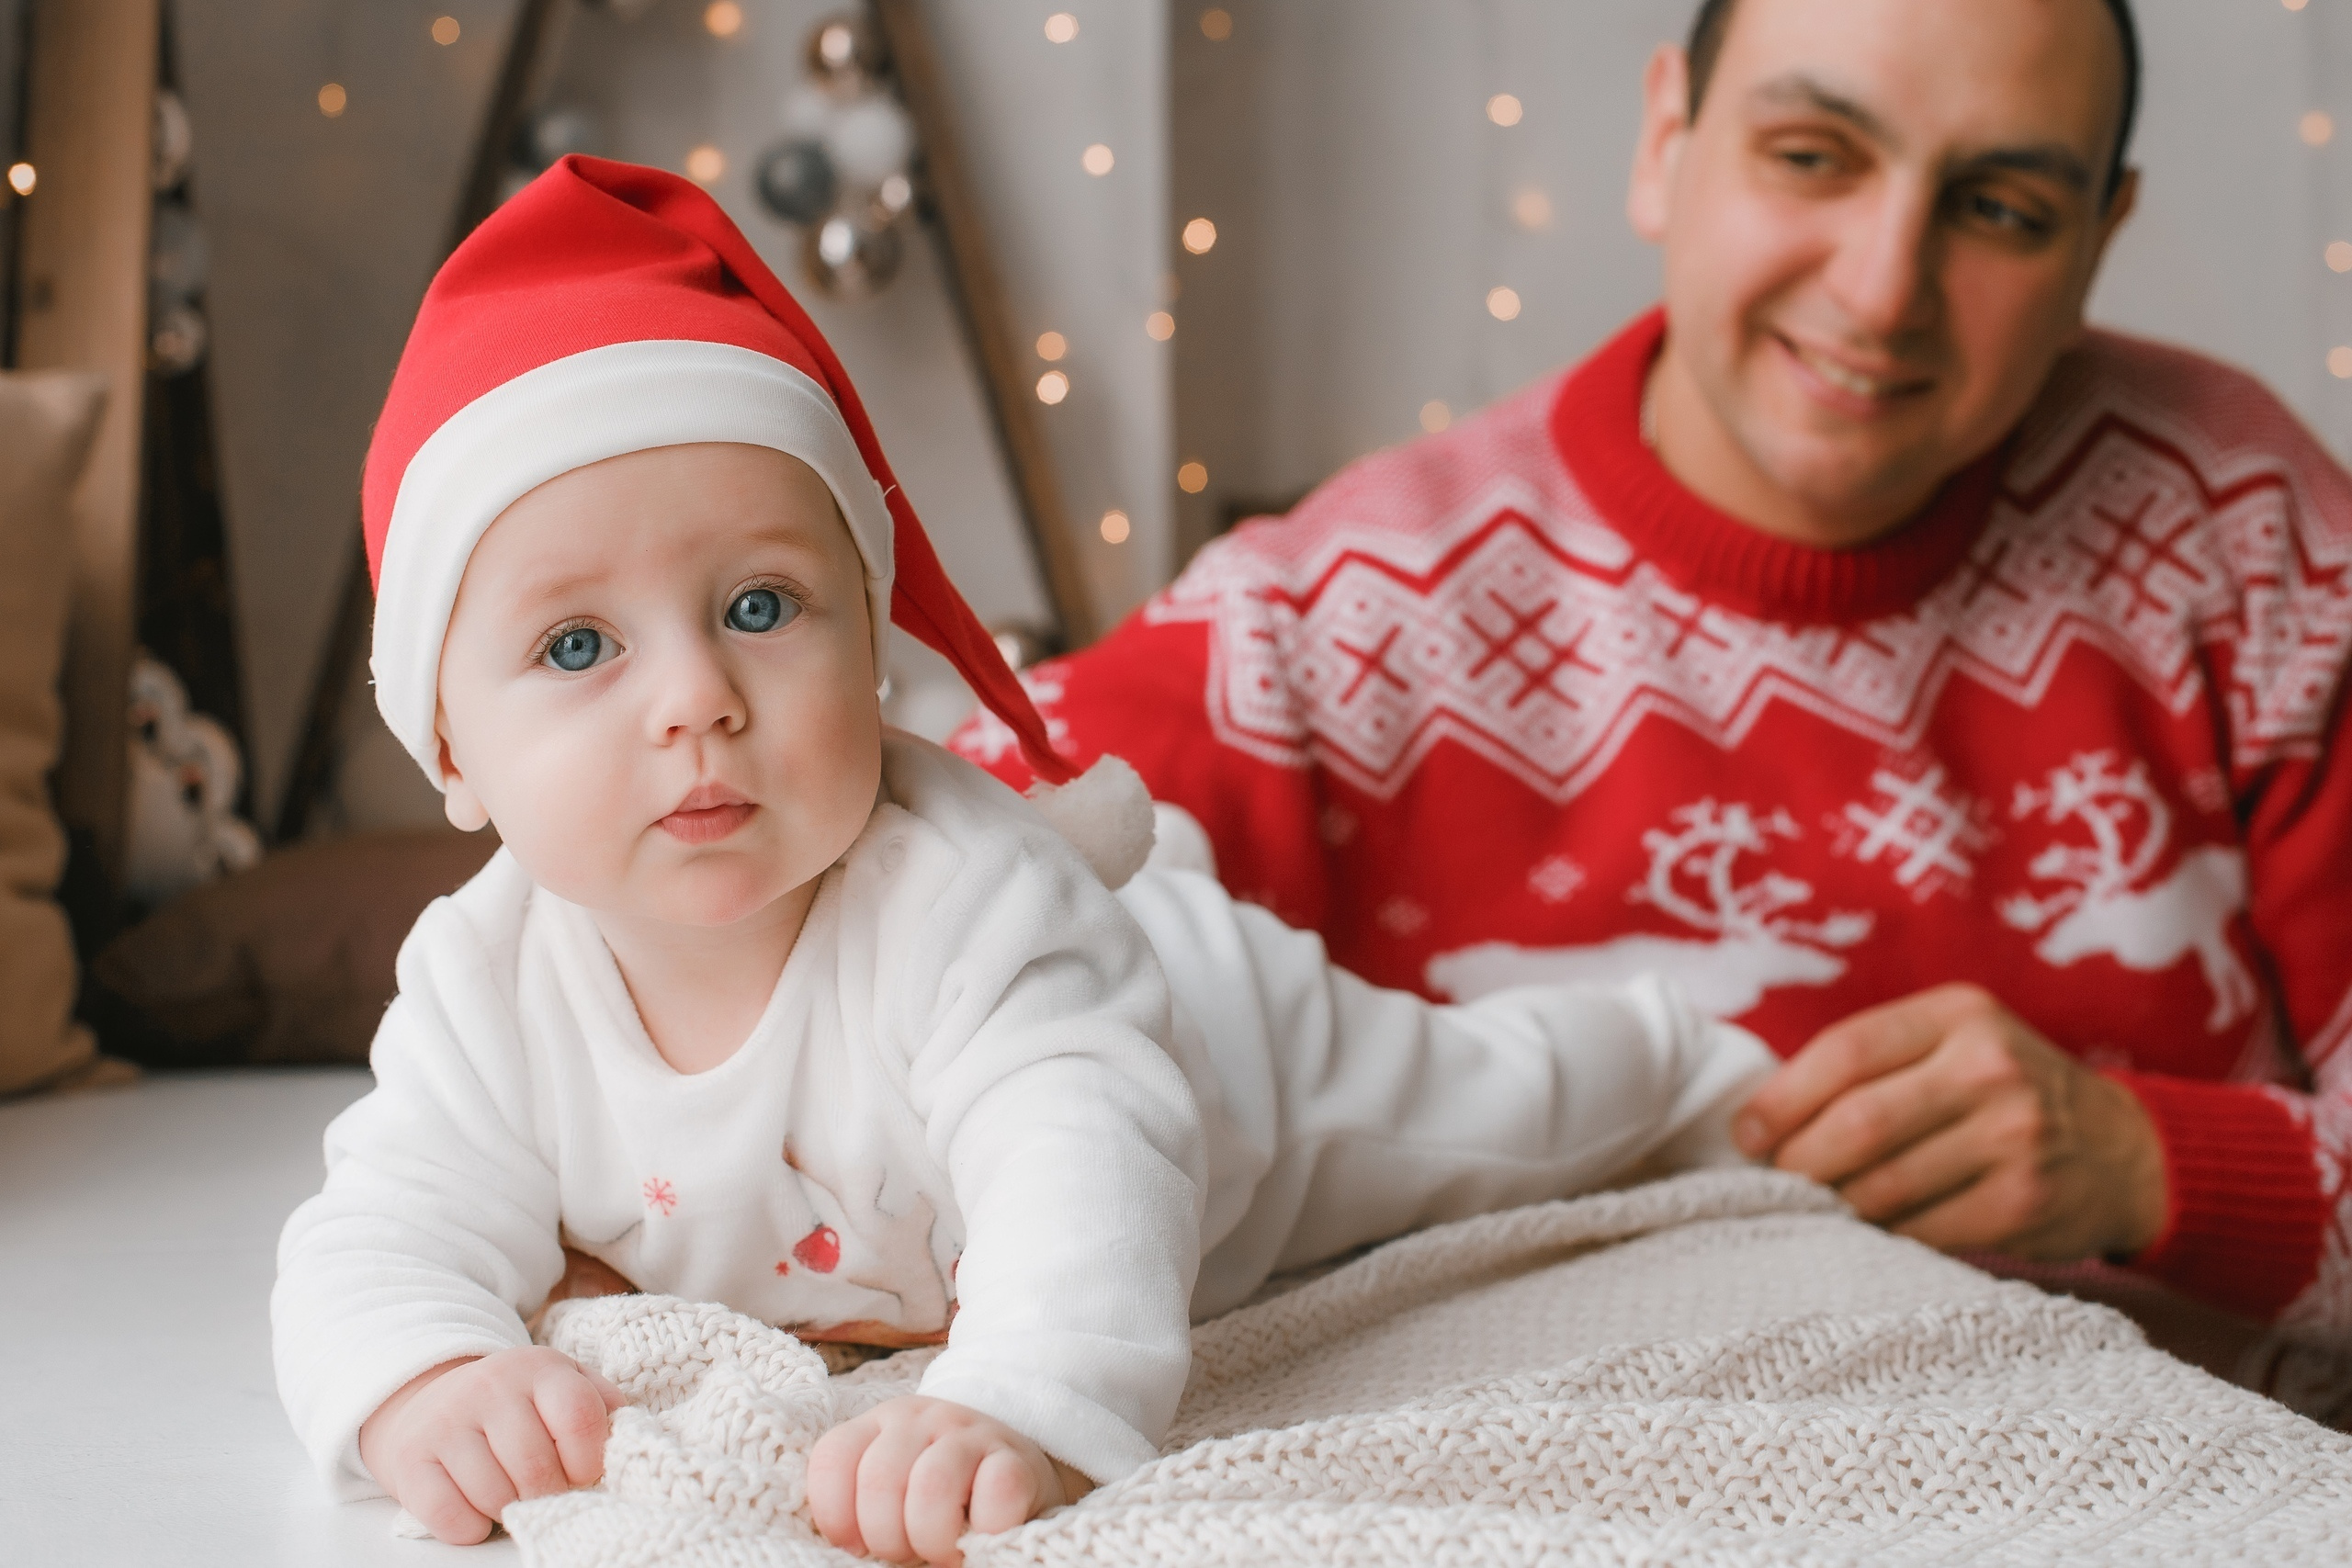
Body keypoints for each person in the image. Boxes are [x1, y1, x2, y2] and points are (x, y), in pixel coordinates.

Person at [271, 155, 1770, 1563]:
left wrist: (1015, 1402)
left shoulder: (962, 908)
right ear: (450, 752)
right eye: (578, 644)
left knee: (1495, 1110)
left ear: (871, 647)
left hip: (1223, 1048)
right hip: (1085, 998)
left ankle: (1700, 1058)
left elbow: (1080, 1161)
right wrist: (422, 1376)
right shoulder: (486, 985)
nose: (696, 699)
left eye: (762, 607)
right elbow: (378, 1231)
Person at [955, 0, 2352, 1337]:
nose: (1882, 289)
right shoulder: (1337, 625)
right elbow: (887, 907)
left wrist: (2153, 1165)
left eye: (2002, 210)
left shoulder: (2243, 522)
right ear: (1665, 143)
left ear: (2098, 239)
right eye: (1811, 158)